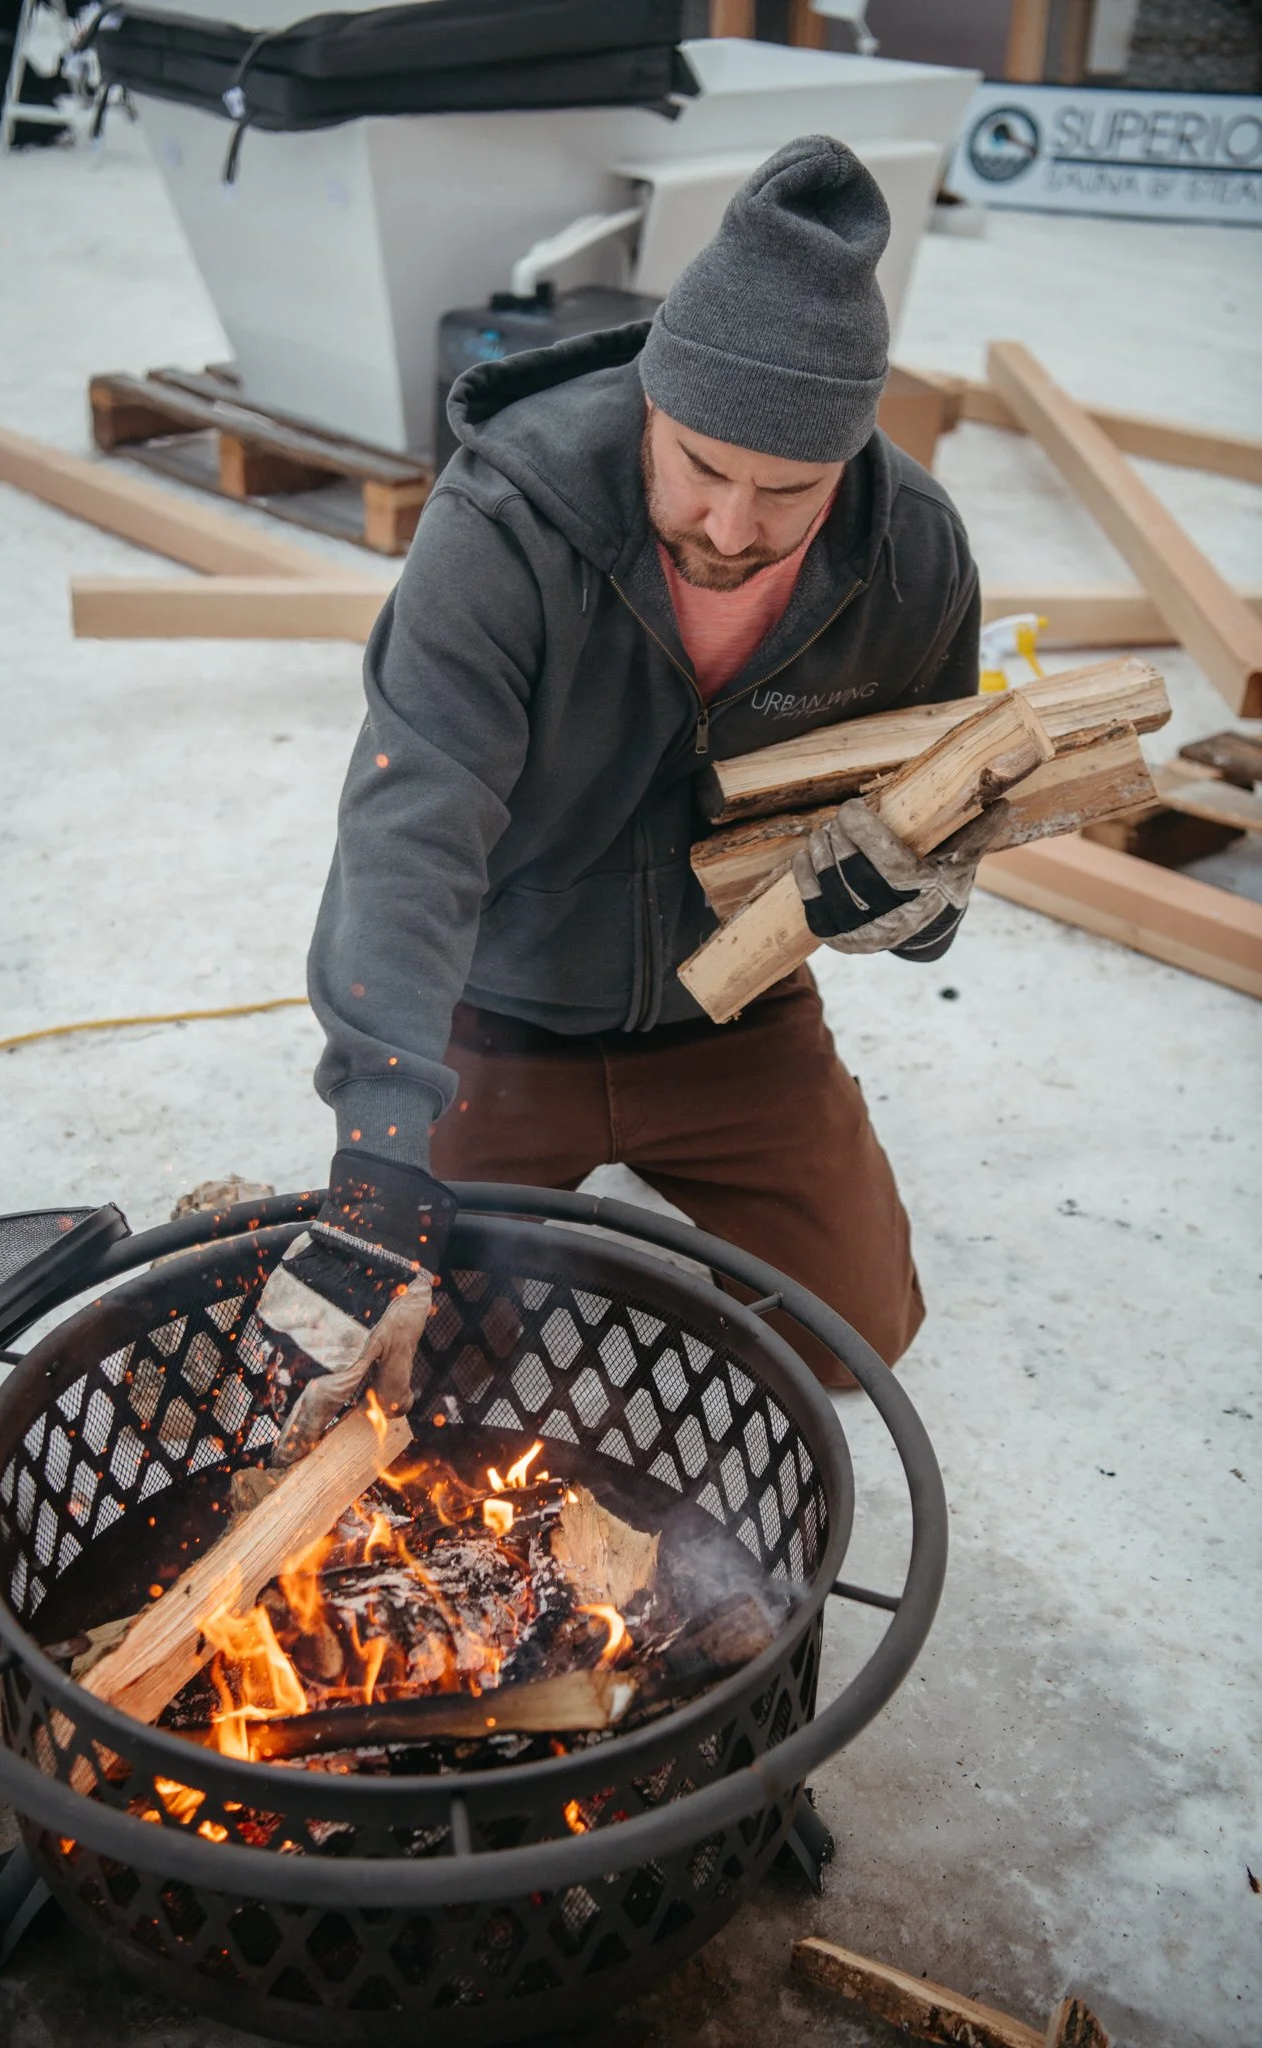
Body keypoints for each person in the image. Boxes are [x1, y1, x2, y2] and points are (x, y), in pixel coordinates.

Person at [254, 136, 985, 1435]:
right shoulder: (508, 523)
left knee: (857, 1332)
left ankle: (678, 1170)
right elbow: (413, 821)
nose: (730, 526)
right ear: (654, 398)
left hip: (729, 1007)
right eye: (701, 467)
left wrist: (903, 897)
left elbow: (948, 838)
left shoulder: (911, 554)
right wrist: (378, 1130)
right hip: (505, 1016)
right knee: (432, 1376)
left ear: (850, 457)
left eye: (787, 492)